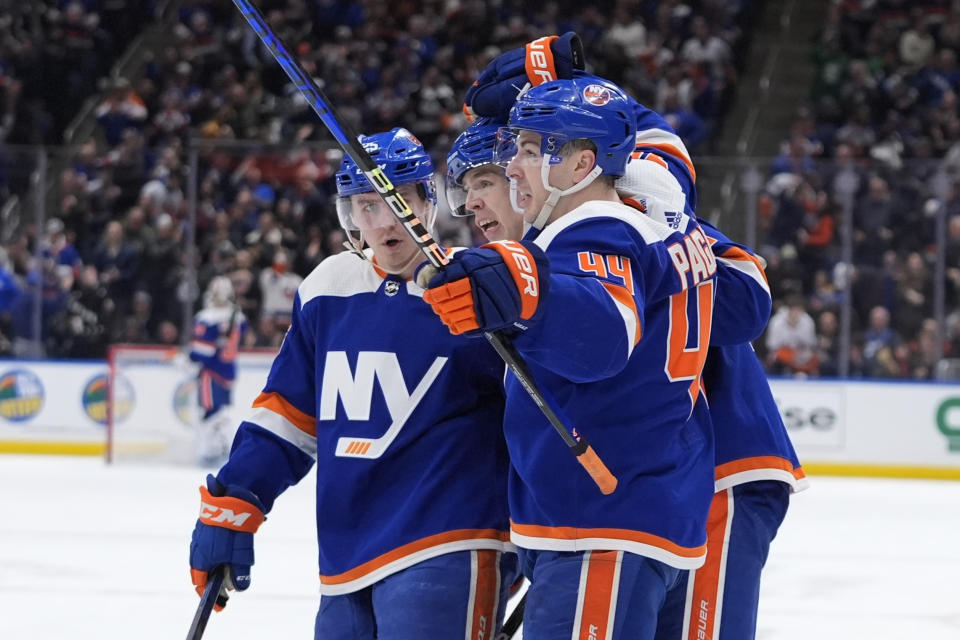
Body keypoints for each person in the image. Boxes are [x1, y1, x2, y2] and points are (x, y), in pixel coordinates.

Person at [461, 38, 807, 639]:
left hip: (707, 464)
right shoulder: (574, 241)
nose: (478, 202)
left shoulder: (625, 222)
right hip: (651, 483)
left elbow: (742, 303)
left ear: (576, 163)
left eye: (504, 165)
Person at [424, 76, 739, 639]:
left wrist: (525, 287)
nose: (513, 166)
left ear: (580, 165)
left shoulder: (595, 230)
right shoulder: (646, 231)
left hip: (598, 525)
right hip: (628, 517)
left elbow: (602, 334)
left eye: (526, 149)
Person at [188, 127, 518, 639]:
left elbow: (535, 410)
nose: (382, 221)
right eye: (365, 205)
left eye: (397, 201)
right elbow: (289, 413)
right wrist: (236, 499)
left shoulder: (477, 287)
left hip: (450, 543)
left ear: (426, 202)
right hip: (345, 556)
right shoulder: (328, 287)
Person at [189, 275, 248, 466]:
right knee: (218, 412)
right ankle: (221, 449)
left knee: (211, 413)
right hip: (229, 371)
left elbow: (201, 351)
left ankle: (217, 450)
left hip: (211, 373)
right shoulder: (238, 317)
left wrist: (187, 358)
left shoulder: (207, 318)